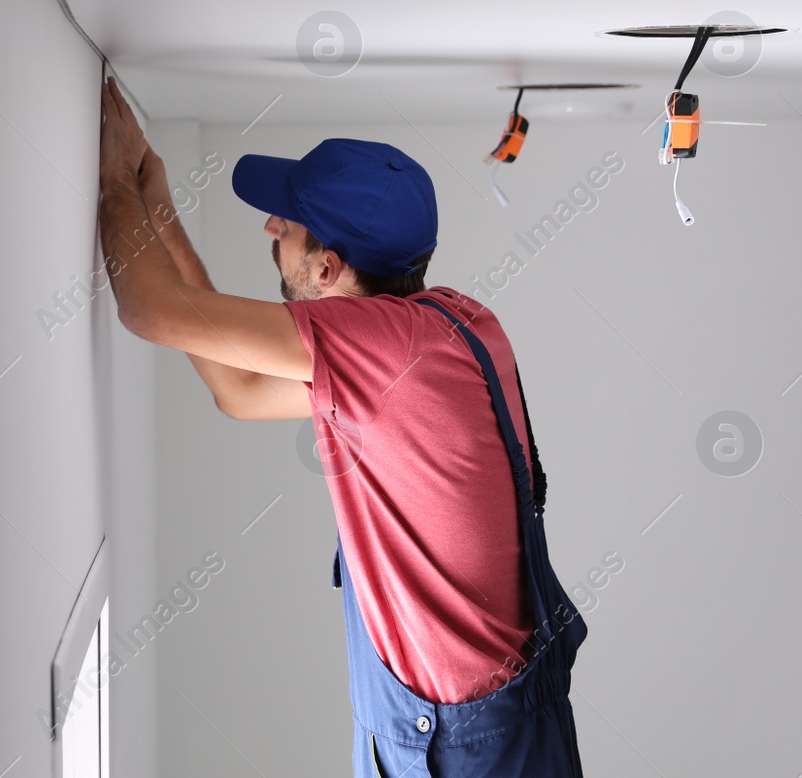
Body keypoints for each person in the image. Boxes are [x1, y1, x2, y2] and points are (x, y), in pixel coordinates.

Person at [98, 76, 587, 777]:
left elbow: (149, 309)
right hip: (457, 731)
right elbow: (236, 388)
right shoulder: (449, 326)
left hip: (463, 749)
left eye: (288, 223)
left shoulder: (381, 349)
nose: (271, 227)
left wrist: (114, 178)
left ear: (327, 269)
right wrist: (155, 200)